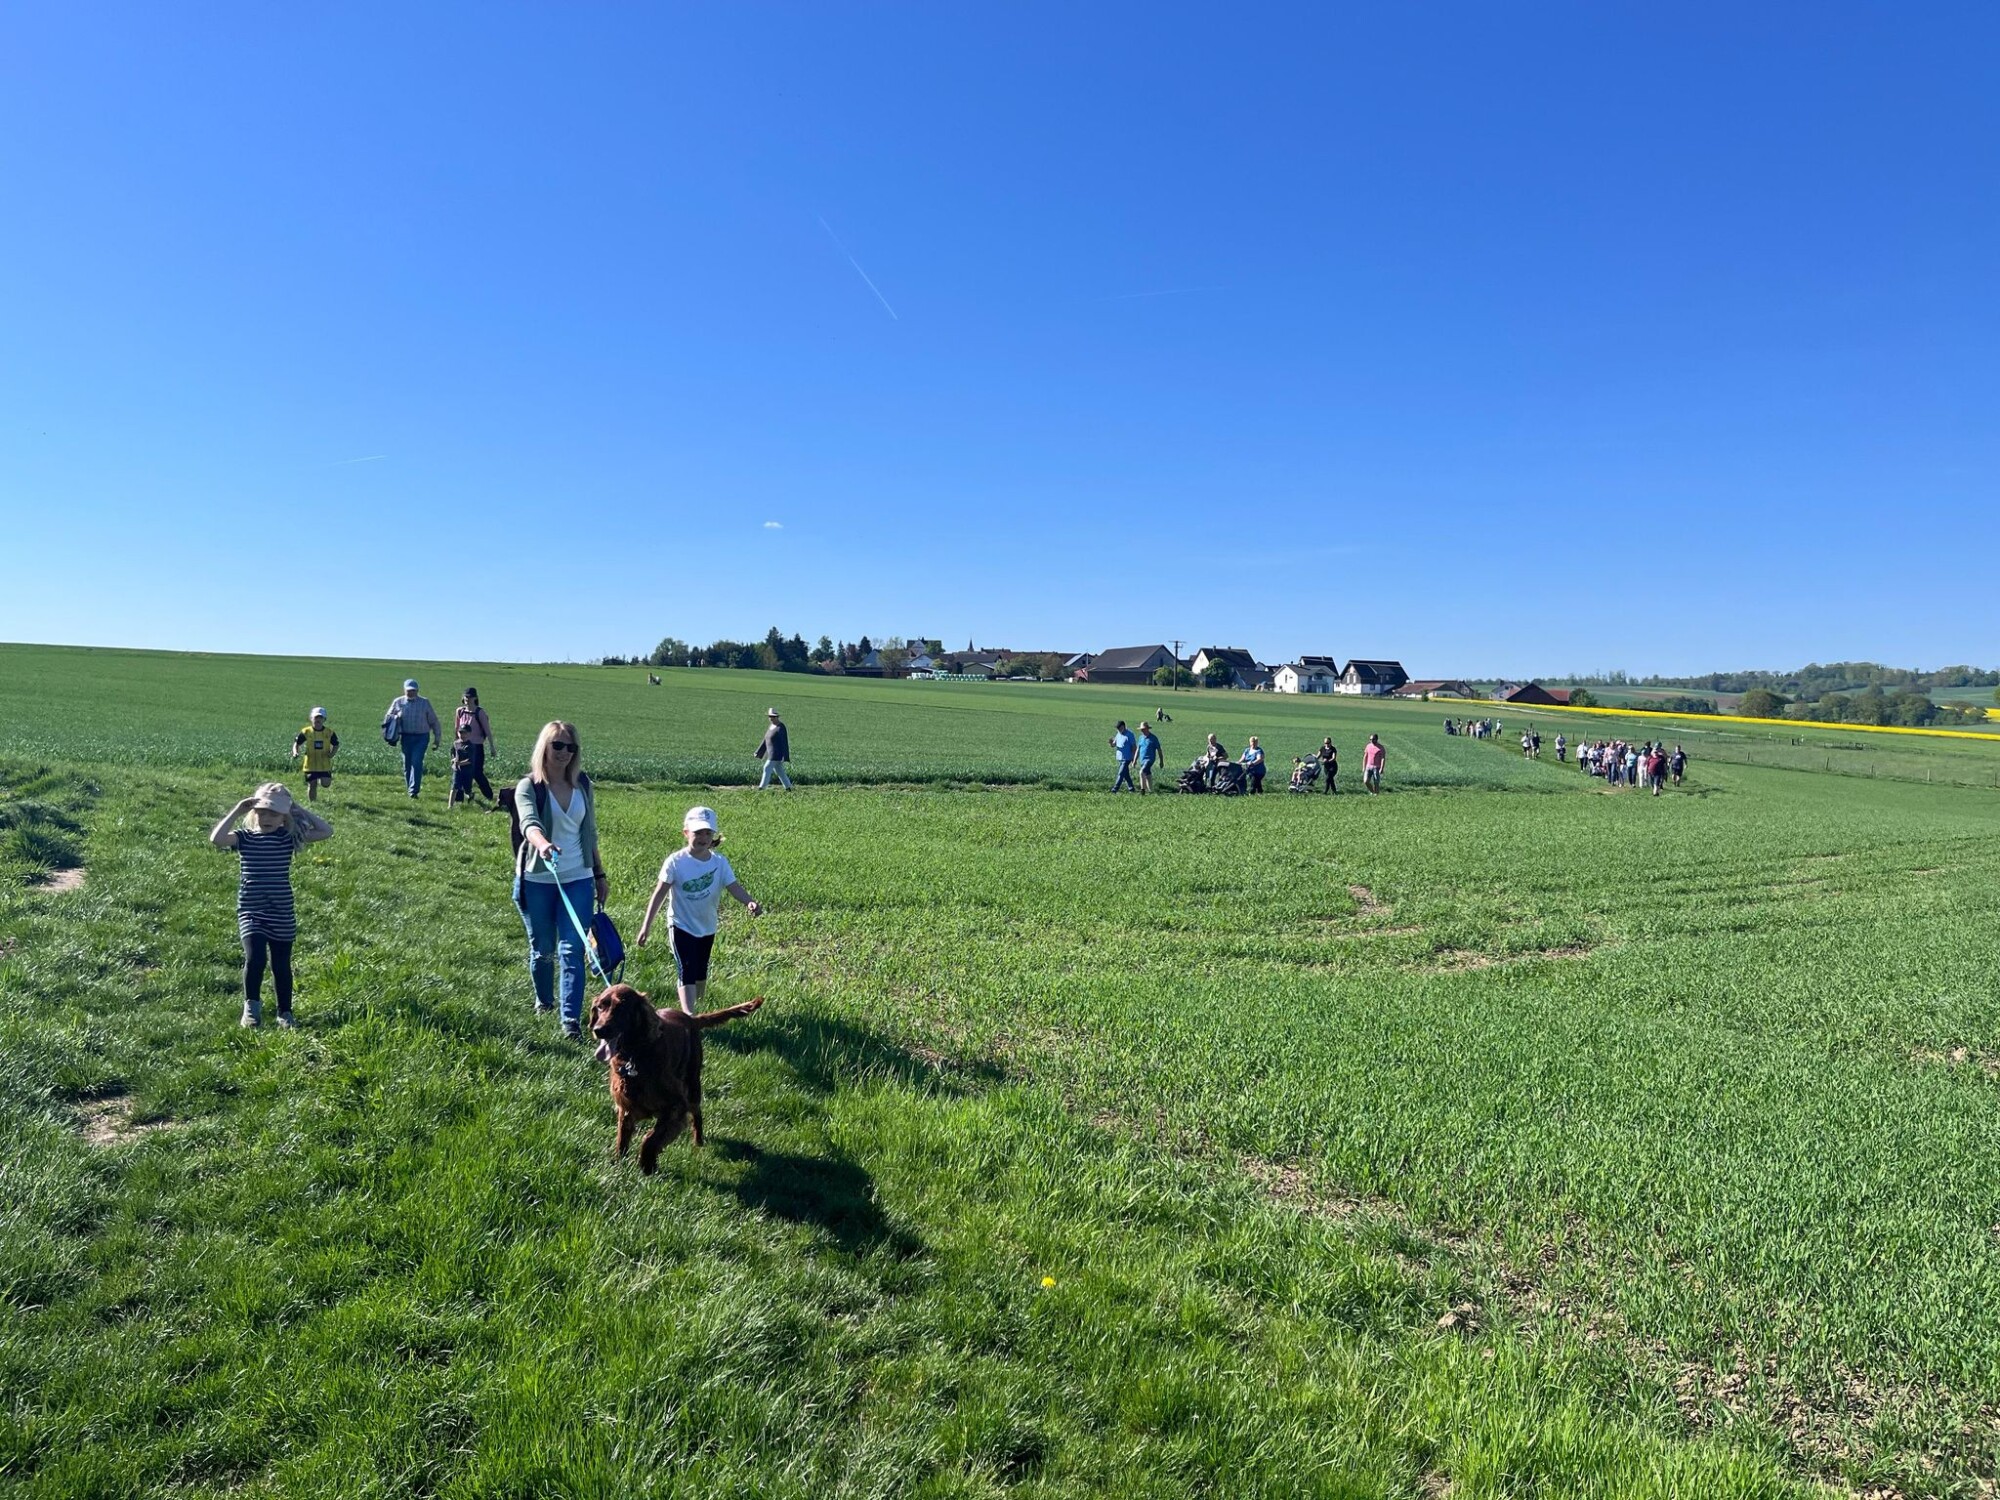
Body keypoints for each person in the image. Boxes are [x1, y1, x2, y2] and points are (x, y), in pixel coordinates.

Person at [512, 721, 609, 1039]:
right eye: (558, 745)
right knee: (543, 948)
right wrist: (543, 845)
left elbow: (590, 832)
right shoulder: (529, 786)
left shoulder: (583, 784)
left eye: (571, 747)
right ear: (545, 747)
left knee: (572, 949)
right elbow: (529, 823)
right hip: (538, 879)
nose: (564, 752)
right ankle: (544, 1001)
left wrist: (599, 873)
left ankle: (570, 1022)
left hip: (578, 877)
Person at [209, 782, 331, 1028]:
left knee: (281, 965)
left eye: (274, 814)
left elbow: (326, 831)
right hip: (251, 910)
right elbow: (217, 839)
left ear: (284, 817)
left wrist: (297, 808)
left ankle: (285, 1013)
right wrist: (237, 811)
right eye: (262, 812)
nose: (267, 818)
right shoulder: (244, 838)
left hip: (281, 911)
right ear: (254, 813)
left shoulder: (288, 837)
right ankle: (251, 1009)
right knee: (255, 959)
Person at [636, 806, 763, 1016]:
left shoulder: (719, 863)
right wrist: (645, 927)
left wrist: (749, 902)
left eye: (707, 833)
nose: (703, 838)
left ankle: (700, 1005)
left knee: (700, 969)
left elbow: (733, 887)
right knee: (686, 967)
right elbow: (659, 894)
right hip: (680, 924)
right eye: (698, 833)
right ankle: (689, 1016)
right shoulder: (675, 862)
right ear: (686, 833)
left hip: (707, 925)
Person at [382, 679, 443, 798]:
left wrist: (437, 738)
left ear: (417, 691)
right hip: (406, 737)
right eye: (408, 690)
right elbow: (388, 718)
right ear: (404, 690)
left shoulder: (424, 703)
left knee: (416, 761)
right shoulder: (398, 702)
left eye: (413, 690)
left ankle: (413, 791)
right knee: (407, 763)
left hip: (421, 737)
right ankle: (410, 787)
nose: (411, 693)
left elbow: (434, 721)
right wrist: (396, 716)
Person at [449, 687, 496, 808]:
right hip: (461, 746)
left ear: (475, 698)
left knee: (476, 772)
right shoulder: (460, 711)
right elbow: (456, 728)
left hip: (476, 746)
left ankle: (489, 795)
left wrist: (492, 747)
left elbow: (487, 731)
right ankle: (459, 798)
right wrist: (455, 744)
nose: (467, 699)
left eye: (470, 697)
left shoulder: (480, 713)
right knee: (459, 770)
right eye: (466, 697)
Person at [290, 708, 339, 801]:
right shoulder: (306, 732)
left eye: (320, 718)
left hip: (324, 764)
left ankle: (320, 778)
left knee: (326, 784)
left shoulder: (329, 732)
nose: (318, 720)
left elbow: (336, 744)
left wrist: (332, 754)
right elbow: (296, 744)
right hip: (310, 764)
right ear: (311, 719)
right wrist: (295, 752)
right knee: (312, 784)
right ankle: (313, 804)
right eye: (316, 717)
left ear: (324, 719)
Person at [756, 708, 793, 790]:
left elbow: (784, 742)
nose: (771, 718)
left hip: (776, 754)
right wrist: (758, 752)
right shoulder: (771, 727)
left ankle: (761, 788)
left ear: (777, 717)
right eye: (770, 716)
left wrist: (785, 756)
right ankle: (788, 787)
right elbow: (765, 740)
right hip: (770, 753)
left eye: (773, 717)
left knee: (766, 767)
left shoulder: (781, 727)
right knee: (779, 771)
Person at [1135, 721, 1163, 793]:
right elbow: (1138, 749)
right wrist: (1134, 760)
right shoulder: (1141, 738)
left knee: (1141, 772)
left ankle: (1143, 790)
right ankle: (1151, 790)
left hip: (1149, 759)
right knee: (1148, 774)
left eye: (1143, 729)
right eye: (1141, 729)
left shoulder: (1153, 738)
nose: (1142, 731)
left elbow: (1159, 750)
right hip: (1142, 760)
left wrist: (1161, 761)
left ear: (1147, 729)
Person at [1110, 721, 1136, 792]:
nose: (1118, 730)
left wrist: (1134, 758)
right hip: (1120, 758)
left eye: (1119, 728)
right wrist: (1111, 743)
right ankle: (1131, 788)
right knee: (1126, 774)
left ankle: (1115, 789)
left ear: (1123, 726)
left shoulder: (1129, 734)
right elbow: (1114, 744)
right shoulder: (1118, 734)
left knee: (1121, 773)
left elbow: (1134, 747)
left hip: (1127, 758)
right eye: (1117, 729)